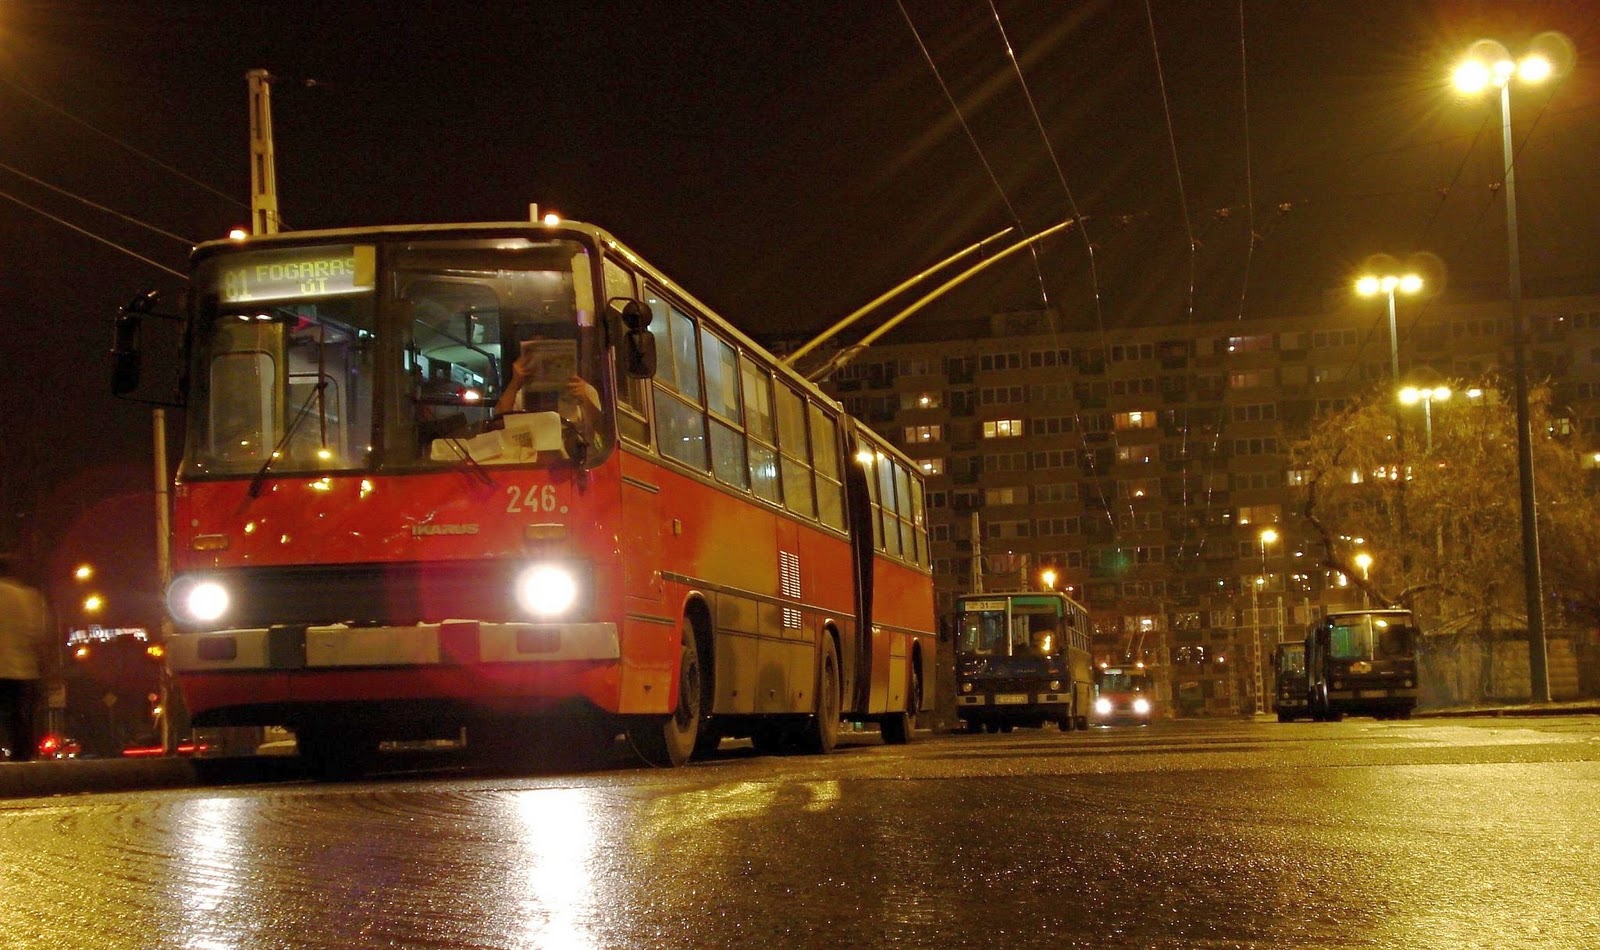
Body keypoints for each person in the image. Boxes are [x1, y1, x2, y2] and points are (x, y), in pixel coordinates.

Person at [0, 555, 51, 762]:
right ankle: (23, 763)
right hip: (22, 671)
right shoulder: (29, 597)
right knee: (19, 720)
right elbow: (40, 636)